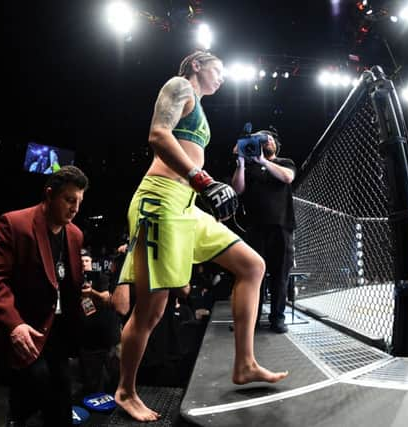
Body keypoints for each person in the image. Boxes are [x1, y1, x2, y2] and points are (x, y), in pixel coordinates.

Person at [115, 51, 288, 422]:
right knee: (151, 311)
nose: (223, 76)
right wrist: (204, 179)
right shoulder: (178, 86)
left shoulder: (201, 109)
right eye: (218, 69)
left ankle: (244, 364)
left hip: (187, 204)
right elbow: (158, 135)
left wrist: (203, 183)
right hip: (159, 200)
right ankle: (125, 390)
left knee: (252, 266)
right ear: (196, 65)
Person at [0, 165, 88, 426]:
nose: (75, 208)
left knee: (62, 399)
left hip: (59, 334)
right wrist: (15, 325)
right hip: (26, 331)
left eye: (79, 202)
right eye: (69, 200)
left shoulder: (75, 234)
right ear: (49, 194)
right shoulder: (14, 223)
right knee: (29, 398)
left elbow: (69, 285)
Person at [231, 127, 296, 333]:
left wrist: (263, 161)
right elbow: (238, 189)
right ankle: (252, 319)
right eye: (261, 139)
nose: (266, 141)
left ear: (276, 144)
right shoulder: (249, 168)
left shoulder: (284, 162)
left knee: (280, 276)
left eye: (269, 139)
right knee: (253, 274)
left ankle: (277, 318)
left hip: (281, 226)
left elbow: (287, 178)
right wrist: (241, 164)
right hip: (255, 227)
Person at [77, 248, 119, 395]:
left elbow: (107, 298)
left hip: (107, 335)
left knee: (113, 375)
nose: (84, 264)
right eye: (81, 261)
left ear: (92, 263)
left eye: (87, 261)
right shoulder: (74, 280)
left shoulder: (102, 277)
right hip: (87, 338)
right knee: (90, 380)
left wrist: (91, 293)